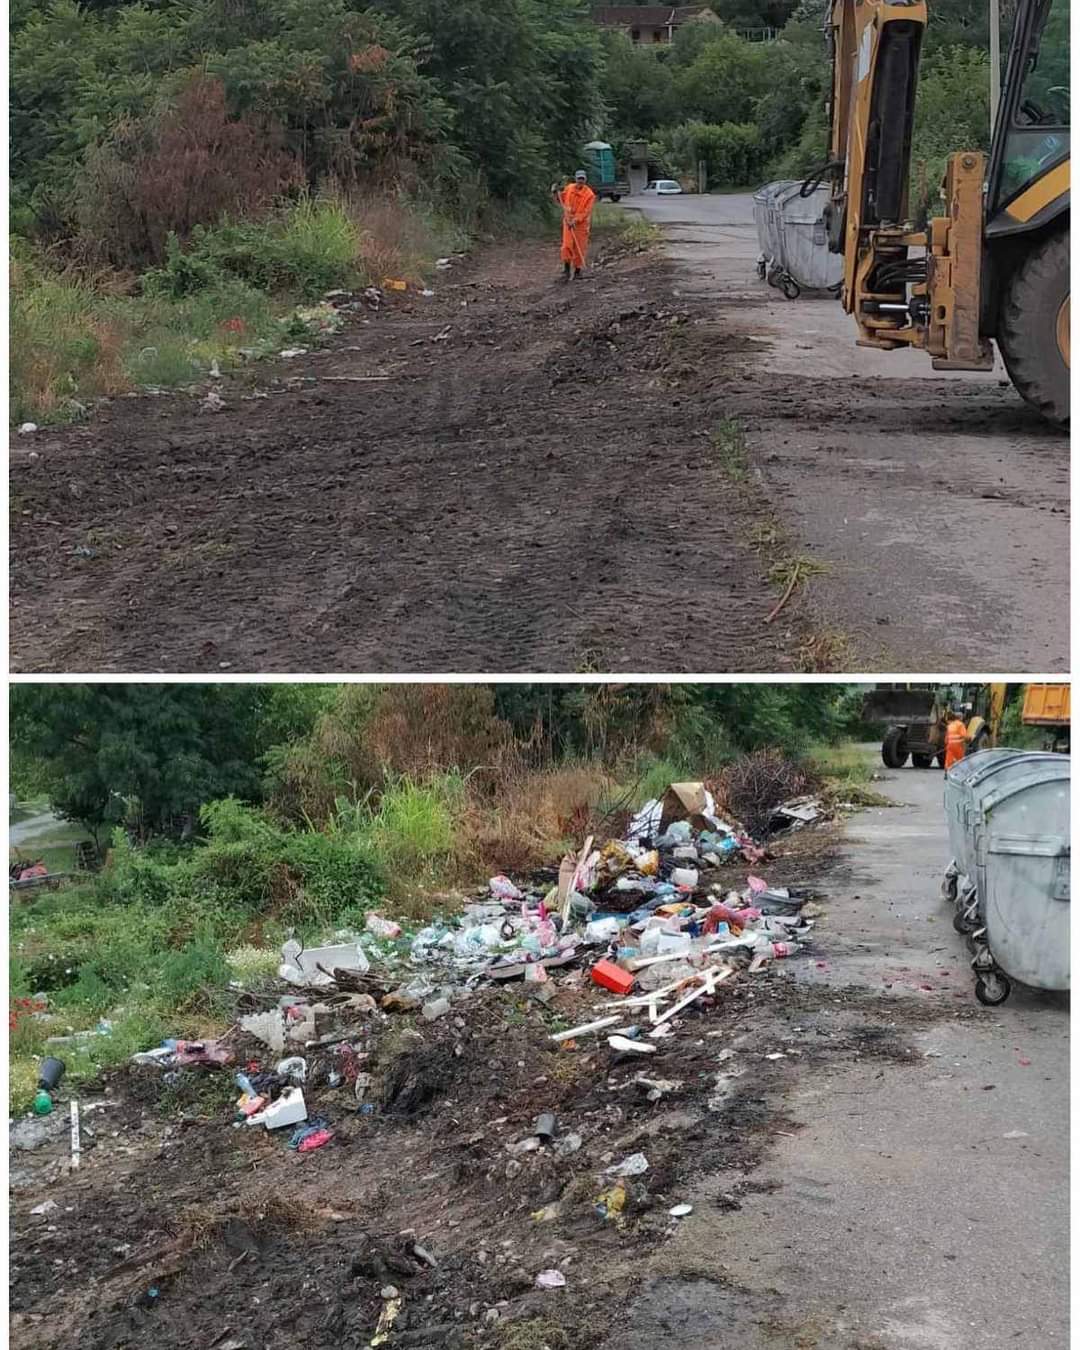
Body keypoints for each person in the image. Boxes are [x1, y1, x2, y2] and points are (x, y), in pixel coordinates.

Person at [552, 170, 596, 280]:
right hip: (568, 222)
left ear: (585, 180)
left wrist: (575, 220)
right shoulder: (569, 188)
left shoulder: (589, 195)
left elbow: (586, 212)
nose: (580, 181)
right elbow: (560, 199)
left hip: (581, 225)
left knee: (579, 248)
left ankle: (577, 271)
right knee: (566, 246)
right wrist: (555, 192)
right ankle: (566, 271)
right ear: (576, 179)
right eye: (579, 179)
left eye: (582, 179)